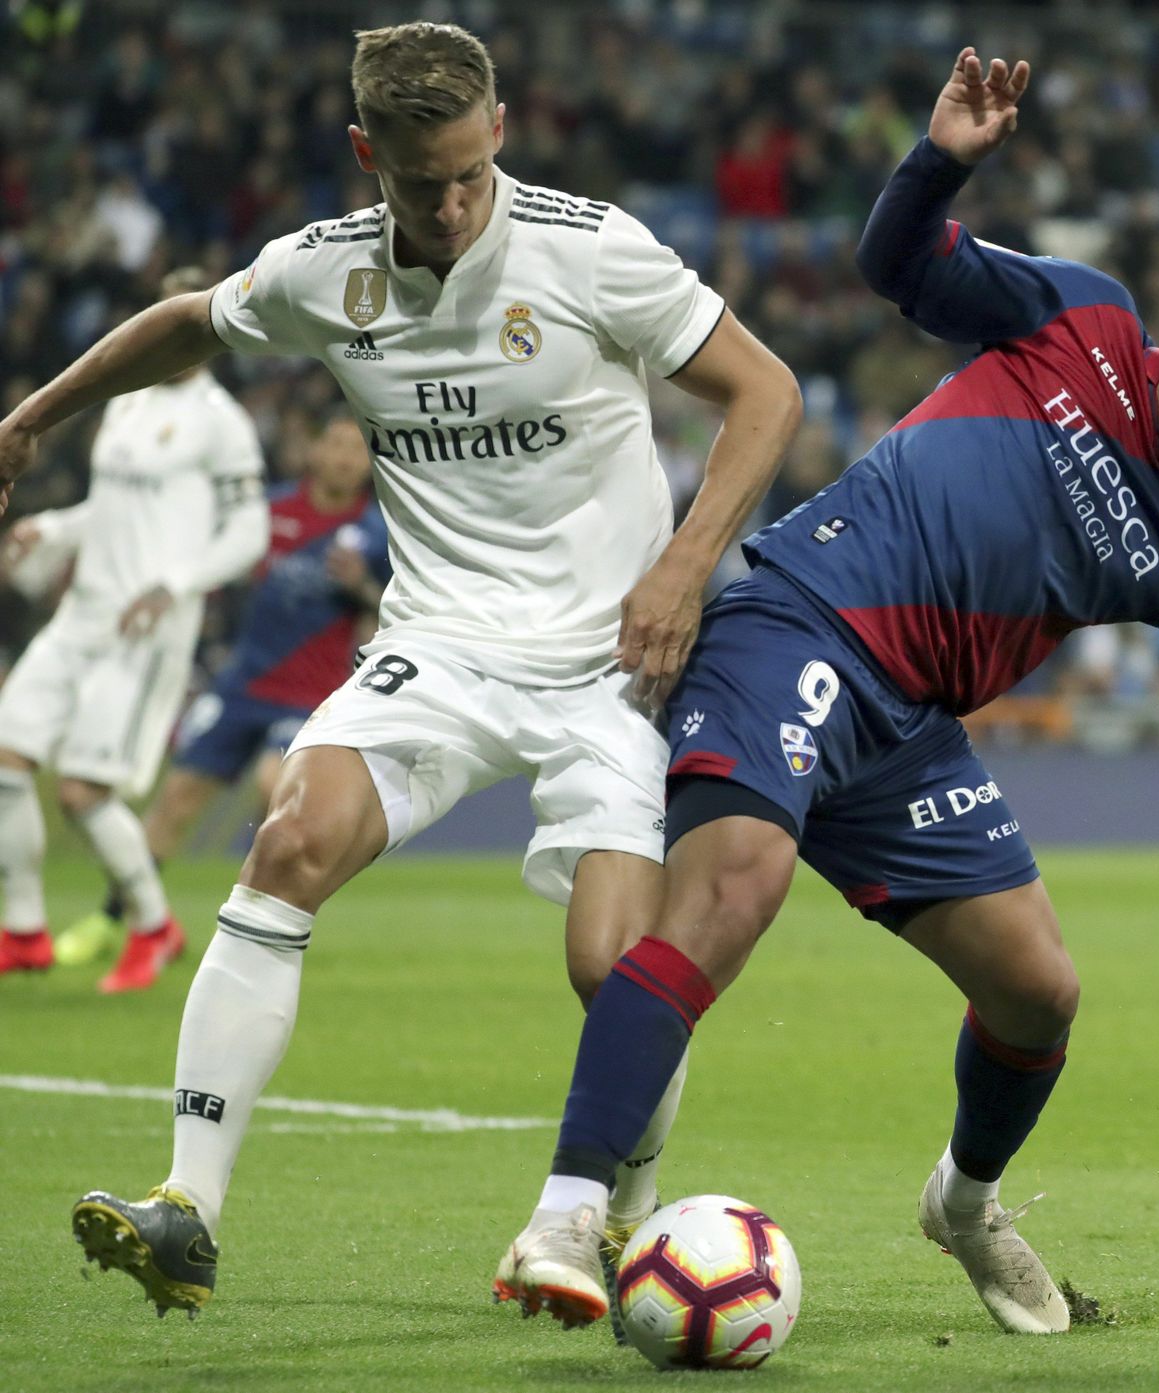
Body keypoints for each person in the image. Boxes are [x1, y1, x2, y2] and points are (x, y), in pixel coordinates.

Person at [505, 49, 1159, 1336]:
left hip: (907, 733)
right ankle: (569, 1212)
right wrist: (942, 162)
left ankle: (964, 1201)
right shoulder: (1076, 318)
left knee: (1038, 989)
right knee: (733, 891)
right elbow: (896, 268)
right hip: (799, 620)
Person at [0, 22, 800, 1317]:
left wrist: (685, 565)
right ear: (368, 153)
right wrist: (30, 421)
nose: (448, 205)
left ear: (500, 131)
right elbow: (189, 326)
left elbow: (765, 392)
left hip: (615, 657)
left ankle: (599, 1215)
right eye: (418, 181)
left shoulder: (591, 253)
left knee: (615, 965)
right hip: (437, 641)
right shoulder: (322, 274)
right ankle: (188, 1205)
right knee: (289, 841)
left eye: (469, 174)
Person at [0, 266, 270, 994]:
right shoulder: (123, 404)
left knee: (84, 792)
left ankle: (153, 926)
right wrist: (53, 529)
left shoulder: (221, 421)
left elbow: (250, 527)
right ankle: (23, 929)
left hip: (143, 623)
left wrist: (174, 584)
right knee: (6, 756)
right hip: (84, 608)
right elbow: (112, 507)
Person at [55, 415, 389, 975]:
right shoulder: (270, 513)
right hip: (243, 684)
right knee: (175, 801)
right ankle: (120, 920)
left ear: (368, 464)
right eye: (334, 443)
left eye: (356, 450)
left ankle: (259, 925)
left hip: (311, 695)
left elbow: (390, 610)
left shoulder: (376, 530)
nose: (344, 458)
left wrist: (361, 587)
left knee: (271, 787)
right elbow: (219, 567)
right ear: (314, 452)